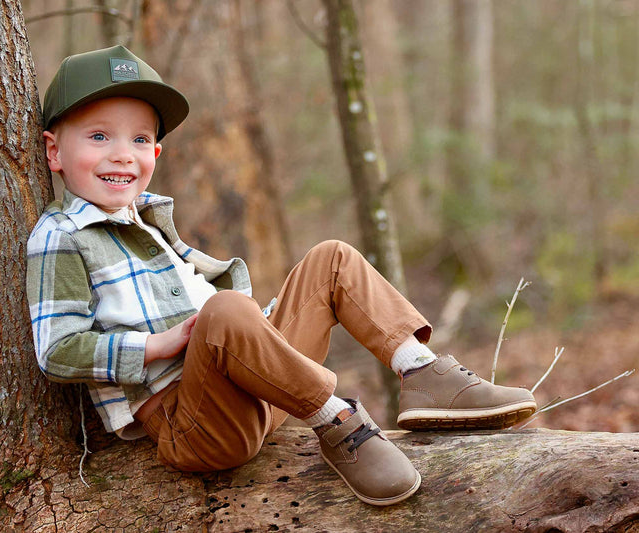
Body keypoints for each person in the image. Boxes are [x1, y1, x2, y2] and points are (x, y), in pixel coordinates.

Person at [27, 45, 537, 507]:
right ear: (54, 152)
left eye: (140, 139)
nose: (122, 154)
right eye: (99, 136)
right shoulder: (62, 236)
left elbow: (230, 320)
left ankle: (422, 373)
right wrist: (158, 346)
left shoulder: (149, 221)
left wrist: (250, 321)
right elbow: (56, 350)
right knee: (225, 311)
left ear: (155, 154)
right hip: (196, 424)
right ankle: (339, 422)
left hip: (258, 388)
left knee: (330, 258)